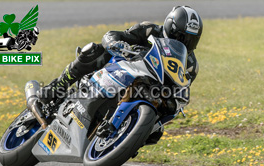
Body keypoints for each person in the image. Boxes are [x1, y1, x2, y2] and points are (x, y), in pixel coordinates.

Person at [39, 6, 203, 104]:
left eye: (190, 39)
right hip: (120, 68)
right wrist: (114, 43)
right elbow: (115, 35)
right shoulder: (149, 30)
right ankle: (56, 88)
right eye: (180, 36)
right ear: (169, 26)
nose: (183, 42)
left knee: (157, 130)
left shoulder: (190, 66)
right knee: (93, 50)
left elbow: (182, 91)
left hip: (150, 92)